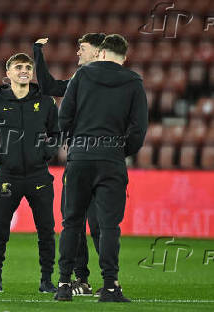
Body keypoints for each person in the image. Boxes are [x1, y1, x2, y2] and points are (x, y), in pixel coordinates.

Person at [55, 34, 148, 302]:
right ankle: (110, 286)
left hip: (81, 156)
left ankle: (64, 285)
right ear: (124, 57)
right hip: (111, 158)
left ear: (102, 53)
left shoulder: (81, 76)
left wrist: (77, 145)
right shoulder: (133, 81)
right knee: (109, 226)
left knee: (71, 221)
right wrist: (121, 150)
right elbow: (139, 128)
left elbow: (64, 118)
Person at [33, 33, 106, 296]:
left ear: (98, 52)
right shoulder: (78, 80)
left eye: (83, 48)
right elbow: (49, 87)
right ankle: (82, 280)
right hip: (78, 159)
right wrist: (37, 55)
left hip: (99, 160)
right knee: (73, 220)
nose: (78, 53)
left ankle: (109, 280)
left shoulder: (113, 82)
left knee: (98, 224)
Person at [0, 53, 59, 293]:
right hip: (7, 177)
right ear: (9, 73)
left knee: (46, 230)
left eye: (27, 67)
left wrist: (46, 153)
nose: (24, 70)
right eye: (18, 67)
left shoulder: (46, 102)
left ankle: (46, 281)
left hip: (39, 177)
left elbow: (56, 134)